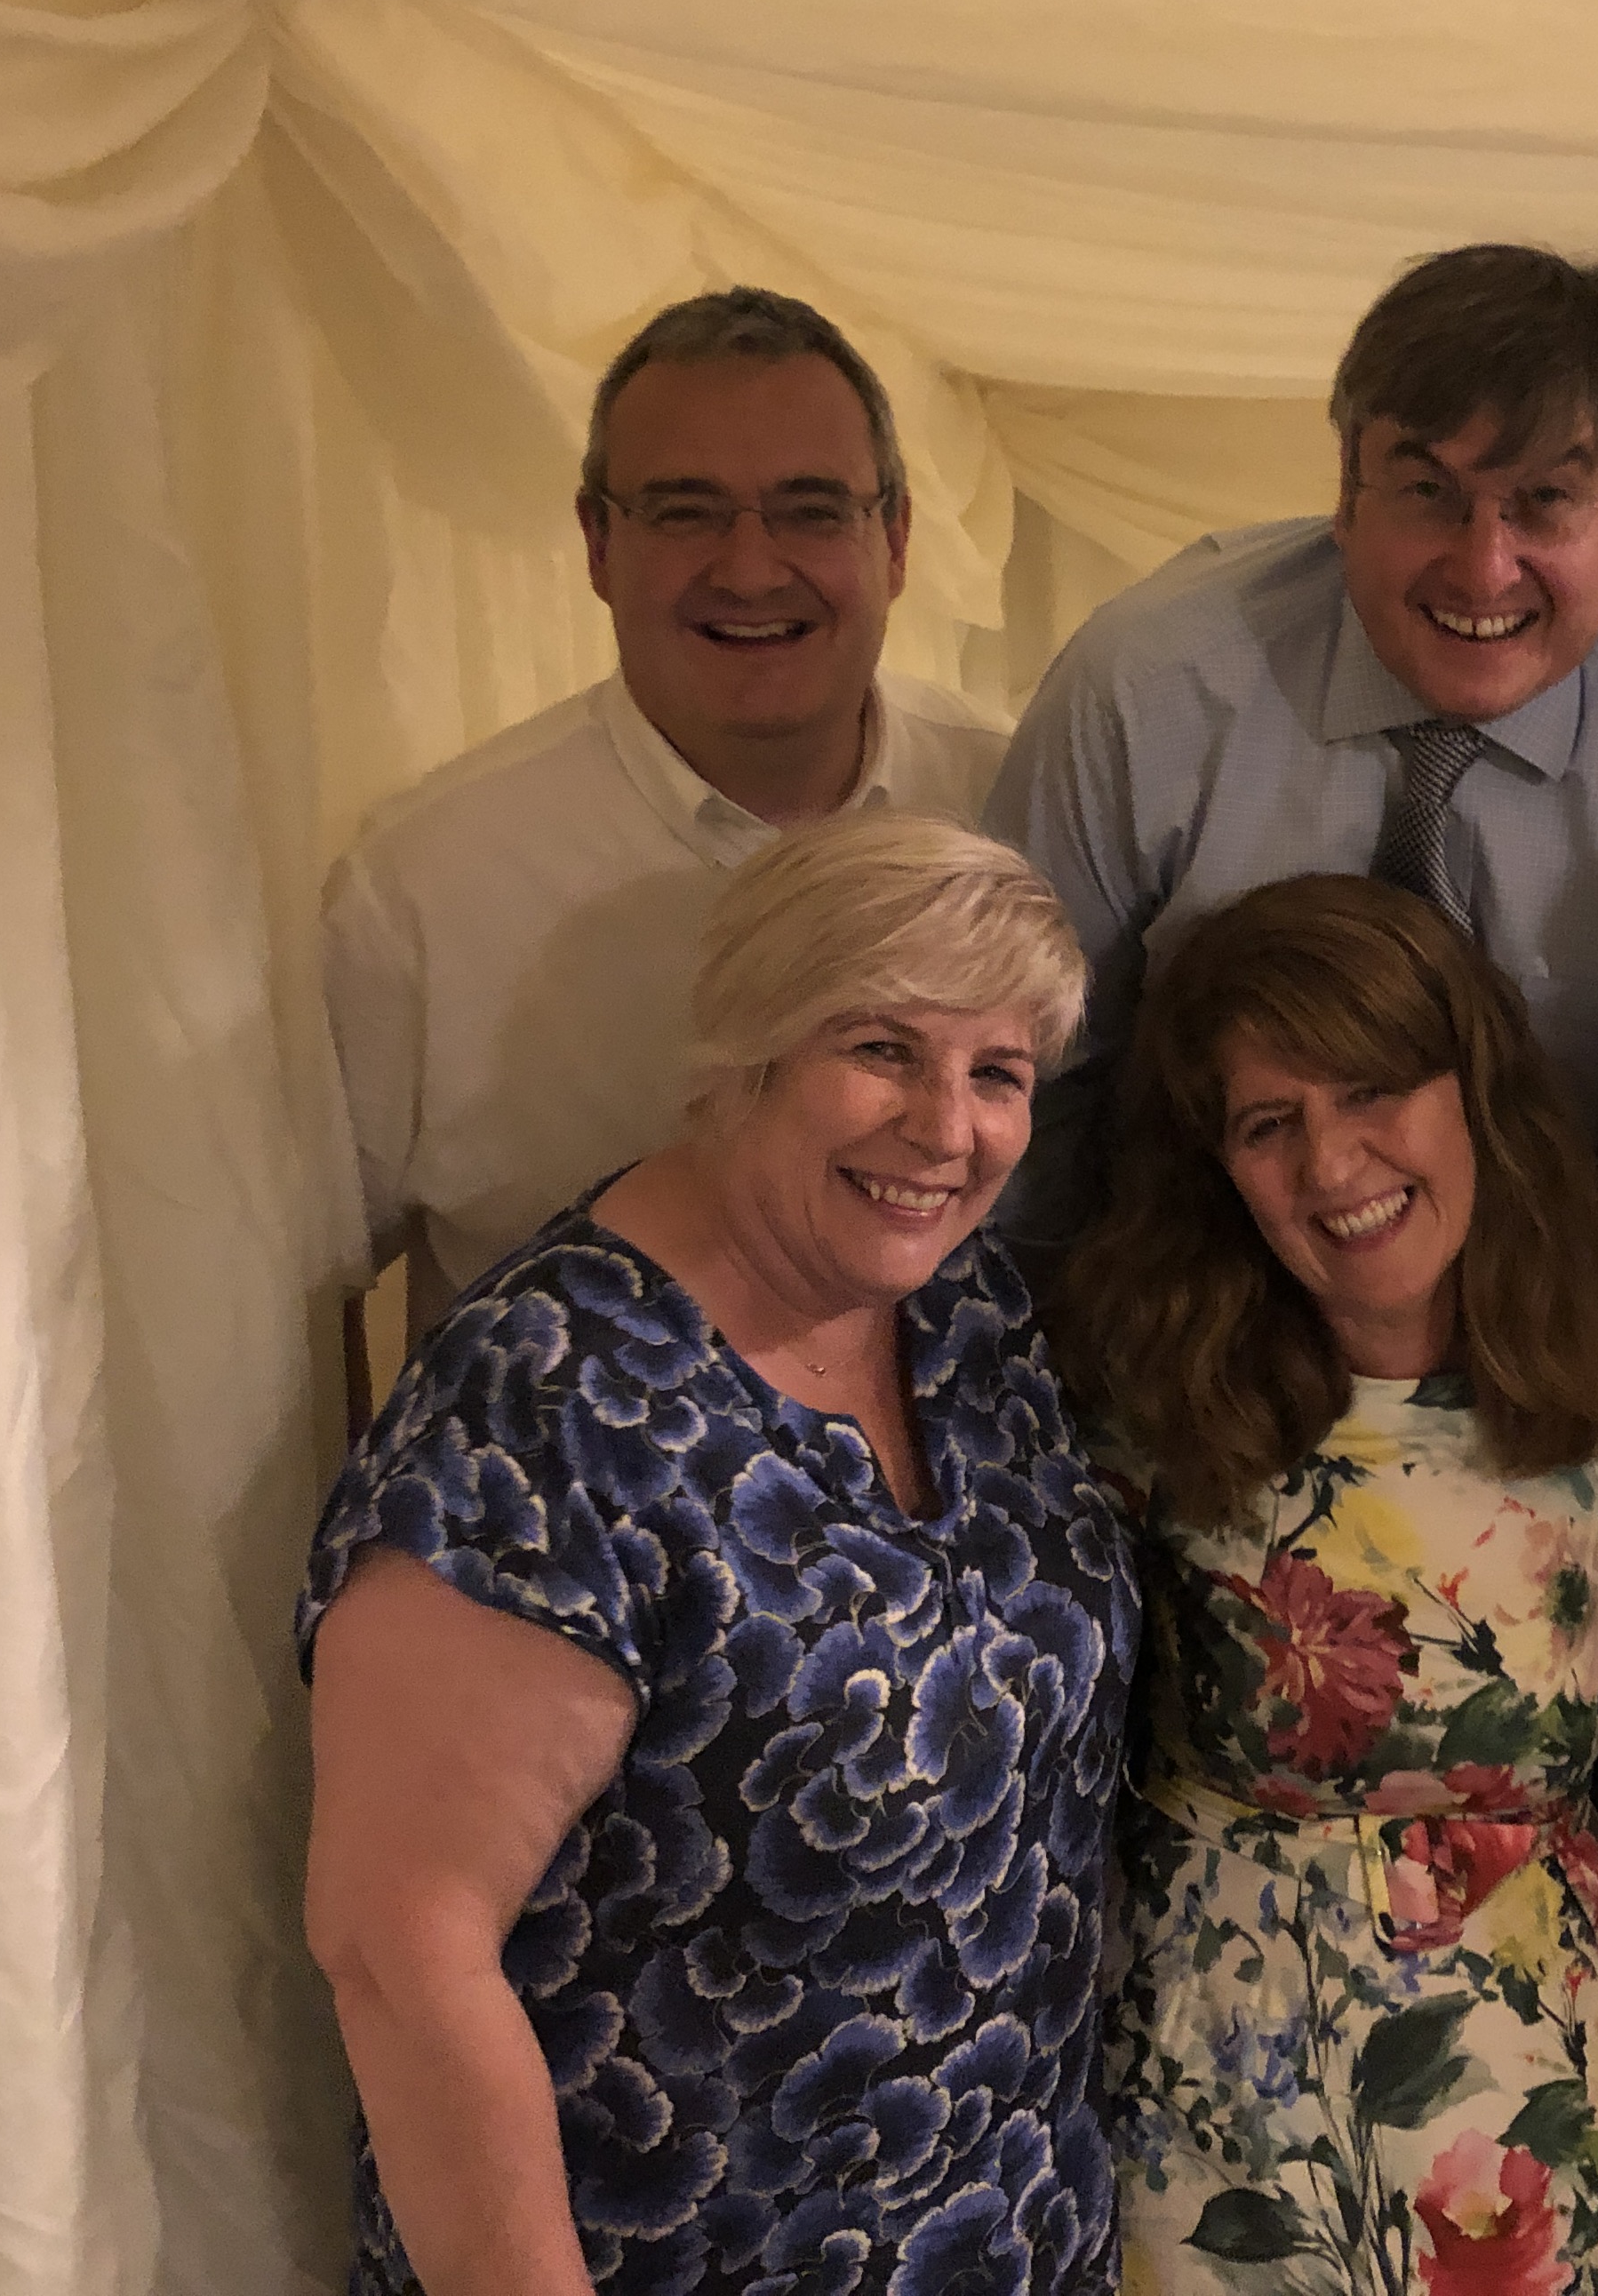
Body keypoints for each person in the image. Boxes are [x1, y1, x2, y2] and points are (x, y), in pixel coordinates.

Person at [300, 812, 1139, 2296]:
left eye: (997, 1073)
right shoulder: (551, 1401)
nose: (945, 1128)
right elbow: (398, 1948)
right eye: (880, 1048)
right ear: (745, 1051)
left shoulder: (970, 1314)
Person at [1057, 876, 1598, 2293]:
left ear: (1475, 1095)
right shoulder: (1144, 1405)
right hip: (1227, 2113)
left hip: (1539, 2100)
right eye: (1268, 1125)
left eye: (1372, 1089)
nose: (1333, 1164)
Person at [987, 244, 1598, 1269]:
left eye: (1545, 500)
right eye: (1427, 491)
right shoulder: (1143, 691)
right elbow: (1020, 1076)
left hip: (1585, 1294)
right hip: (1194, 1285)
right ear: (1347, 493)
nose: (1483, 569)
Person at [324, 287, 1011, 1328]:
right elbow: (308, 1289)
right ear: (599, 543)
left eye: (812, 510)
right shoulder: (420, 889)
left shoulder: (1015, 804)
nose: (751, 569)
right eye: (685, 512)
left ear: (897, 540)